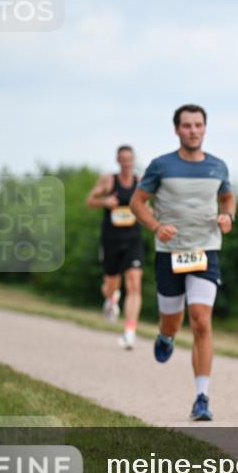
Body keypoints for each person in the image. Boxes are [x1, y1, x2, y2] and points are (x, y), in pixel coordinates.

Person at [130, 104, 235, 421]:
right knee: (171, 321)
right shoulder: (161, 165)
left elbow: (228, 198)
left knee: (201, 320)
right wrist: (156, 227)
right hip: (170, 253)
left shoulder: (218, 166)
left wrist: (228, 216)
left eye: (198, 125)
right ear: (177, 129)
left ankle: (202, 397)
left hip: (206, 251)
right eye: (187, 126)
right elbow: (137, 203)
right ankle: (166, 336)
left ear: (205, 128)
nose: (193, 131)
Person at [86, 145, 145, 348]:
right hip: (111, 240)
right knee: (110, 285)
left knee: (135, 283)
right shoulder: (109, 180)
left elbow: (148, 206)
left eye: (130, 159)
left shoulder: (140, 182)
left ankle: (130, 331)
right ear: (118, 161)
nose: (127, 163)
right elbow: (89, 200)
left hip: (133, 239)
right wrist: (105, 201)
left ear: (134, 160)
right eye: (123, 160)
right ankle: (112, 297)